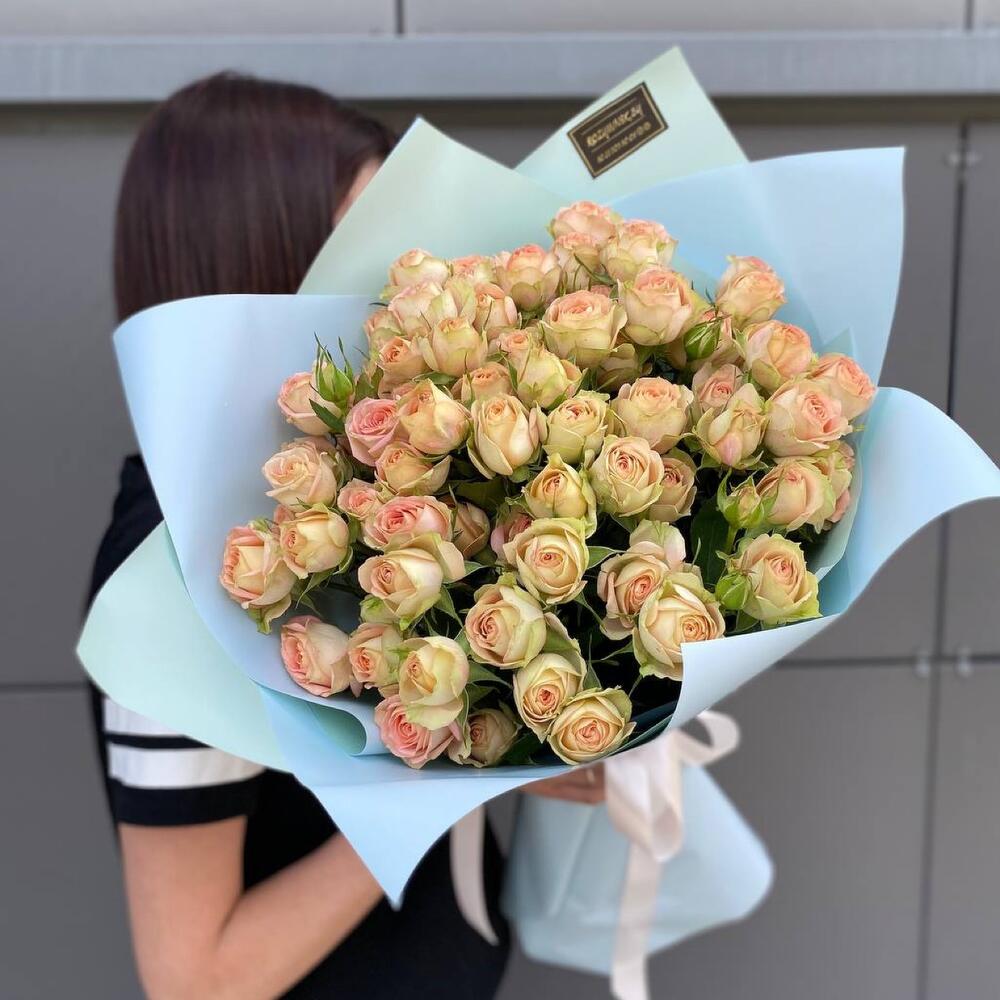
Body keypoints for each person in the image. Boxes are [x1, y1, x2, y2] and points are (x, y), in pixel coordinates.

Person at [88, 72, 602, 1000]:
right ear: (262, 263)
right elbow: (195, 978)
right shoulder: (181, 567)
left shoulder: (360, 495)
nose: (401, 287)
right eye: (361, 248)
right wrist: (444, 763)